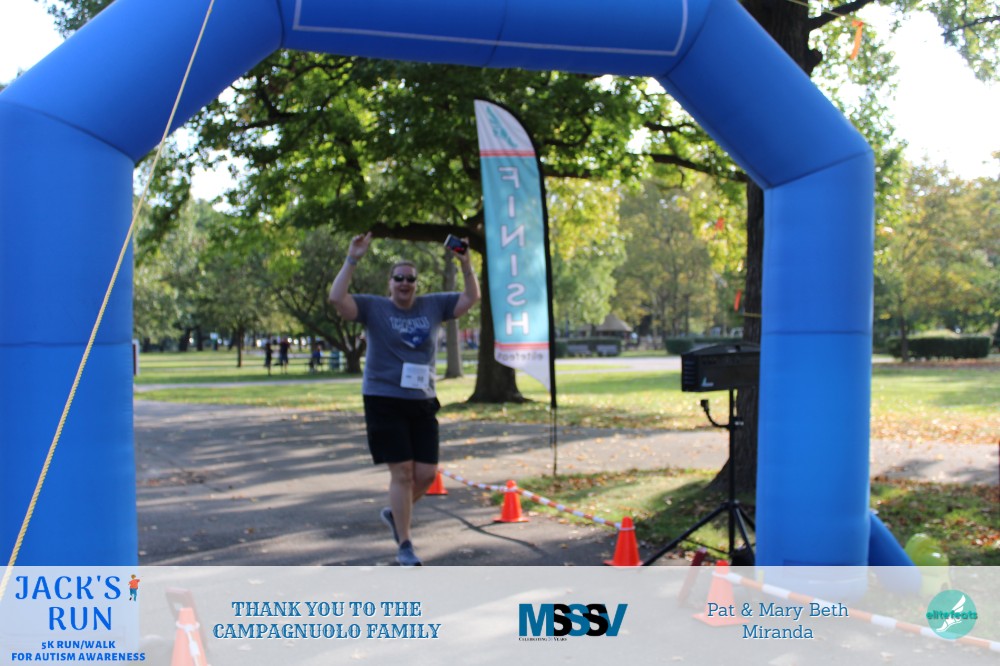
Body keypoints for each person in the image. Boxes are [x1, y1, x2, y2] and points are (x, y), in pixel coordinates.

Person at [328, 231, 480, 566]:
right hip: (383, 398)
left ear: (416, 284)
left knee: (426, 475)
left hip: (422, 399)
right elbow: (337, 298)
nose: (405, 283)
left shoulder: (433, 305)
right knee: (402, 473)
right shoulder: (374, 308)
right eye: (399, 278)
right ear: (390, 283)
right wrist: (352, 258)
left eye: (410, 279)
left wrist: (466, 263)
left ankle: (395, 513)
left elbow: (471, 298)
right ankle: (405, 546)